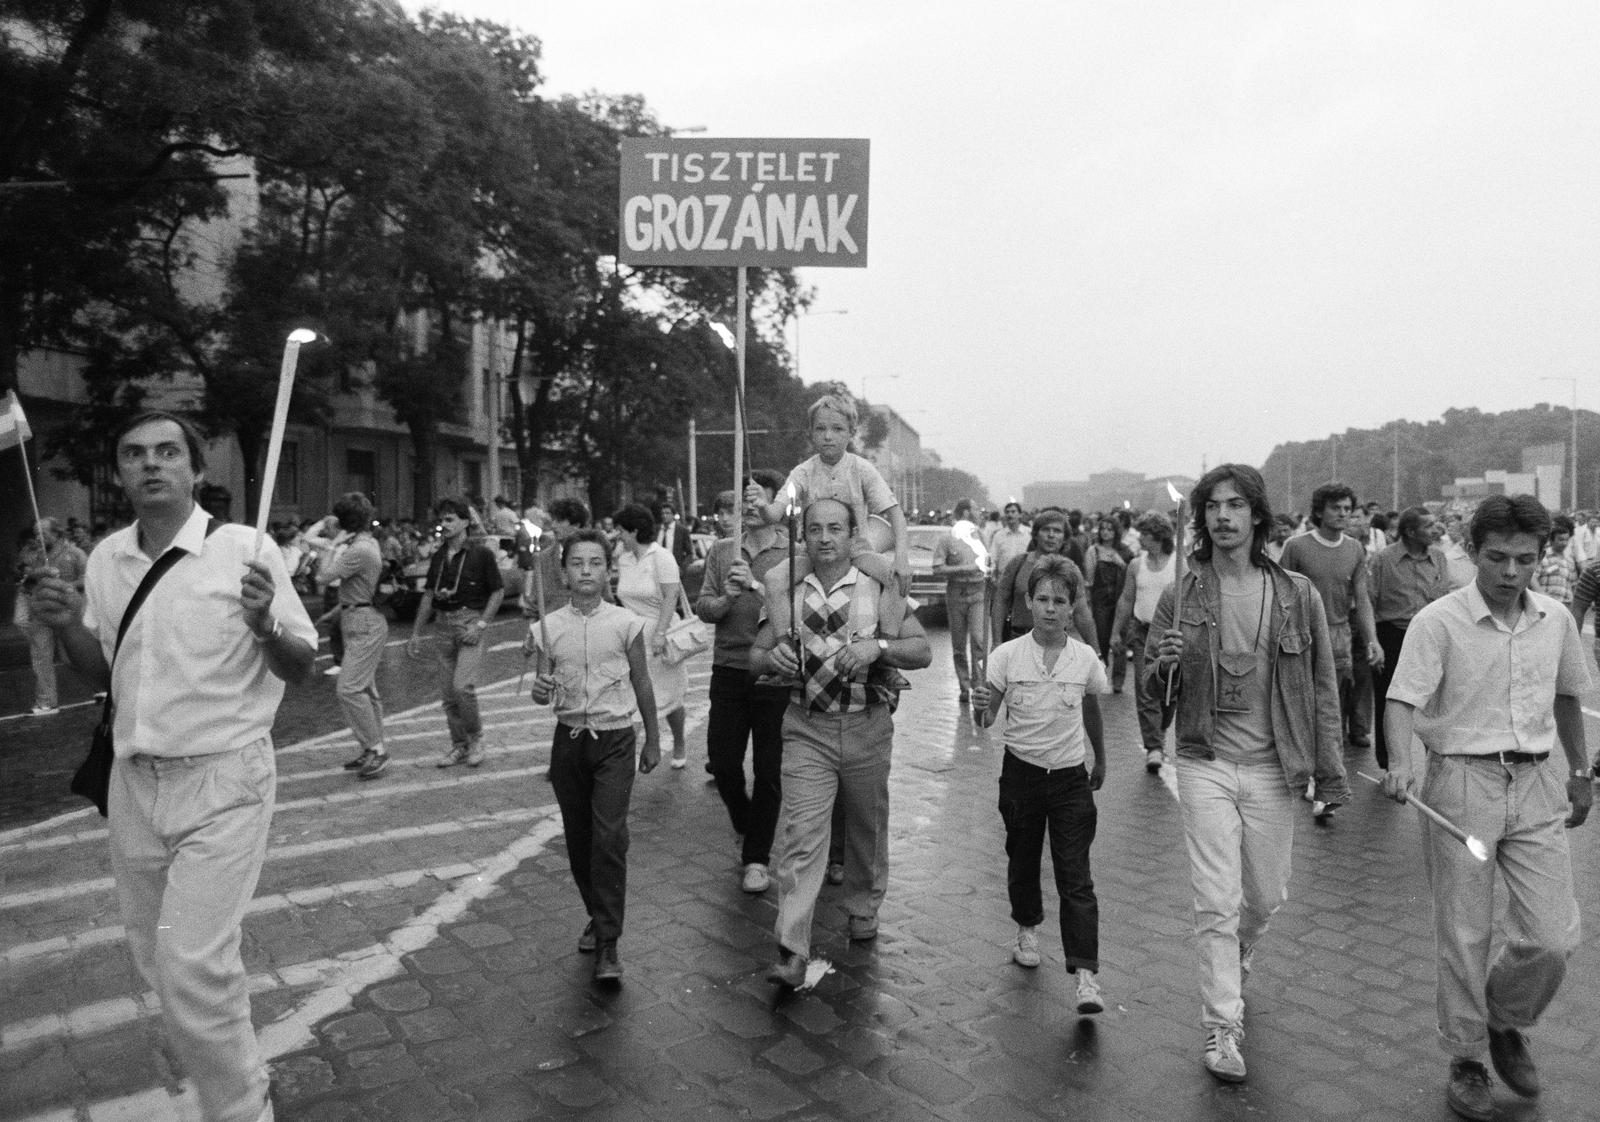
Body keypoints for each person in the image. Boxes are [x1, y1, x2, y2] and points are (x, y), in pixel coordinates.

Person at [30, 410, 316, 1122]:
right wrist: (67, 623)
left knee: (191, 963)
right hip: (133, 783)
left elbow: (302, 663)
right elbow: (103, 672)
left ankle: (241, 1110)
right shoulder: (104, 559)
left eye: (166, 452)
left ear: (195, 469)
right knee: (163, 961)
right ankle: (237, 1069)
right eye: (134, 454)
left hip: (225, 778)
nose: (150, 464)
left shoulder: (245, 552)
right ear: (120, 472)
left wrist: (265, 624)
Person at [1379, 495, 1592, 1121]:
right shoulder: (1438, 622)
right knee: (1465, 930)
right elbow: (1401, 701)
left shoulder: (1554, 619)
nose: (1509, 572)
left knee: (1554, 936)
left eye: (1524, 559)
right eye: (1496, 557)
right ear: (1471, 552)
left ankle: (1505, 1020)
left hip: (1536, 785)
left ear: (1542, 557)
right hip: (1461, 786)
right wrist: (1399, 764)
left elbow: (1567, 696)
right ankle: (1467, 1058)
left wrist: (1580, 772)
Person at [1148, 464, 1346, 1085]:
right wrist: (1165, 664)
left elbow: (1322, 689)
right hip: (1205, 760)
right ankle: (1222, 1024)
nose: (1223, 517)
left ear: (1257, 516)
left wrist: (1330, 770)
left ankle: (1241, 951)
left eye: (1236, 505)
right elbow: (1155, 689)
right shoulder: (1182, 592)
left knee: (1264, 895)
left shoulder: (1296, 595)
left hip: (1273, 765)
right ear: (1202, 517)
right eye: (1212, 506)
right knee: (1215, 898)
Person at [752, 498, 931, 987]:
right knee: (801, 840)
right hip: (806, 729)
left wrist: (880, 647)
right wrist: (773, 661)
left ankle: (863, 904)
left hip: (866, 726)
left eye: (835, 528)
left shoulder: (878, 587)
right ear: (803, 535)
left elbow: (922, 650)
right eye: (814, 529)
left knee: (865, 827)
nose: (824, 537)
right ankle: (791, 949)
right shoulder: (788, 589)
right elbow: (756, 655)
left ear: (854, 534)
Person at [970, 556, 1109, 1015]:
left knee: (1076, 875)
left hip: (1070, 778)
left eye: (1061, 601)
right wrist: (979, 706)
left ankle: (1086, 974)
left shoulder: (1085, 658)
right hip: (1022, 775)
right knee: (1023, 858)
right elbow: (988, 718)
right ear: (1028, 602)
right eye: (1043, 599)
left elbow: (1091, 710)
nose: (1051, 609)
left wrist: (1100, 758)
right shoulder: (1006, 656)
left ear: (1073, 608)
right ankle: (1027, 927)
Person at [526, 528, 660, 983]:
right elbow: (542, 692)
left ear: (609, 571)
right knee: (580, 840)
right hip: (569, 743)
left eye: (596, 563)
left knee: (608, 838)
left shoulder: (625, 623)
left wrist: (654, 739)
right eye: (577, 563)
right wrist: (540, 690)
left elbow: (642, 681)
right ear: (563, 573)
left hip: (616, 740)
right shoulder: (548, 627)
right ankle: (595, 911)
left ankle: (608, 942)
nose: (586, 571)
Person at [695, 470, 791, 893]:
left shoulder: (794, 552)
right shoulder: (721, 551)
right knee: (726, 762)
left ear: (776, 505)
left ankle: (756, 857)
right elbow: (705, 608)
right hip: (729, 668)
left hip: (773, 669)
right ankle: (747, 822)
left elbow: (796, 610)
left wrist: (753, 584)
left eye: (759, 500)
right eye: (743, 501)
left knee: (769, 769)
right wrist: (729, 596)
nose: (750, 508)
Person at [747, 394, 909, 613]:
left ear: (851, 433)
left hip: (856, 552)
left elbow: (896, 514)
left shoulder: (862, 468)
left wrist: (901, 558)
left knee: (897, 579)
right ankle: (786, 641)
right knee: (772, 579)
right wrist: (762, 505)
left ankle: (885, 641)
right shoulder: (802, 471)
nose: (828, 436)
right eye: (820, 429)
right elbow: (774, 514)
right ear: (811, 433)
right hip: (812, 554)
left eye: (837, 429)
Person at [1278, 483, 1385, 783]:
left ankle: (1326, 779)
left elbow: (1361, 599)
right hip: (1300, 637)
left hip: (1338, 639)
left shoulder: (1354, 549)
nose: (1342, 514)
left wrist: (1372, 640)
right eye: (1336, 508)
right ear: (1320, 511)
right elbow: (1281, 597)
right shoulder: (1296, 547)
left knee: (1331, 710)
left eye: (1347, 509)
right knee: (1302, 706)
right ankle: (1302, 767)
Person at [406, 497, 505, 767]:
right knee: (448, 695)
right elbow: (428, 595)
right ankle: (458, 745)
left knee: (463, 687)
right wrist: (416, 632)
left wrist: (481, 624)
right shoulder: (439, 556)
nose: (444, 524)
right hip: (442, 625)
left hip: (469, 622)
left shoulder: (481, 554)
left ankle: (476, 739)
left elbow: (497, 592)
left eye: (449, 519)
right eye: (441, 519)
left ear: (465, 522)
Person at [1368, 506, 1452, 770]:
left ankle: (1438, 755)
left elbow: (1445, 600)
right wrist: (1374, 643)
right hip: (1393, 634)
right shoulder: (1383, 559)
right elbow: (1368, 601)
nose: (1435, 529)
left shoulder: (1439, 558)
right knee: (1389, 699)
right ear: (1410, 531)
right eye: (1428, 526)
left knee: (1437, 698)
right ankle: (1390, 762)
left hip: (1430, 635)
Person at [319, 493, 390, 780]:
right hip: (357, 618)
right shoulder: (366, 543)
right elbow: (355, 588)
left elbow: (322, 576)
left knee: (348, 689)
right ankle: (372, 747)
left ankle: (377, 749)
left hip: (363, 622)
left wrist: (330, 545)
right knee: (366, 691)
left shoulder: (356, 550)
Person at [613, 503, 689, 767]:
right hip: (632, 637)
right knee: (634, 698)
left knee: (670, 700)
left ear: (634, 531)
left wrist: (659, 632)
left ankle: (679, 743)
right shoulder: (623, 558)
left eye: (621, 530)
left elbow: (671, 596)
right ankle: (624, 764)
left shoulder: (661, 556)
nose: (618, 535)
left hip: (660, 637)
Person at [1110, 511, 1177, 773]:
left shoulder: (1178, 563)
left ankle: (1158, 732)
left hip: (1172, 635)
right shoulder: (1136, 565)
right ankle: (1154, 747)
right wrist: (1116, 631)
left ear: (1159, 536)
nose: (1141, 540)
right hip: (1143, 632)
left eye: (1145, 535)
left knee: (1170, 691)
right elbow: (1126, 599)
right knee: (1145, 688)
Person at [14, 517, 88, 716]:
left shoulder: (76, 554)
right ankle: (47, 701)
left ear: (56, 534)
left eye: (42, 533)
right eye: (36, 533)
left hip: (67, 614)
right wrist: (39, 572)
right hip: (42, 613)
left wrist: (68, 585)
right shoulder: (36, 554)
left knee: (71, 657)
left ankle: (101, 688)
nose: (38, 537)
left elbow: (87, 578)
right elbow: (23, 573)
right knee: (41, 658)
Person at [992, 508, 1096, 647]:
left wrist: (1096, 652)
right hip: (1018, 641)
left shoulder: (1071, 570)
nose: (1051, 535)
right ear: (1036, 534)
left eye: (1057, 531)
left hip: (1056, 644)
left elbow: (1081, 612)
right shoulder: (1018, 564)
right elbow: (1001, 602)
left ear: (1064, 538)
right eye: (1046, 529)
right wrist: (997, 642)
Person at [932, 498, 990, 703]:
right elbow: (937, 568)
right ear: (966, 513)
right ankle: (964, 686)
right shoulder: (947, 539)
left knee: (979, 640)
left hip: (978, 592)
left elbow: (989, 562)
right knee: (958, 644)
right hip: (956, 593)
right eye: (976, 510)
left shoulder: (980, 535)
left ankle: (979, 684)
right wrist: (964, 569)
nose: (980, 513)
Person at [1082, 515, 1131, 692]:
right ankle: (1101, 674)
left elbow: (1132, 573)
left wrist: (1121, 563)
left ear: (1116, 531)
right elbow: (1089, 578)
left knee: (1120, 639)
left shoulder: (1125, 551)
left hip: (1121, 598)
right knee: (1102, 637)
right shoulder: (1093, 550)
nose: (1106, 532)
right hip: (1100, 599)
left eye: (1110, 529)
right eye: (1103, 528)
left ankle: (1118, 680)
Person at [1533, 514, 1577, 605]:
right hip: (1546, 603)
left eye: (1566, 540)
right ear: (1552, 540)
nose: (1564, 543)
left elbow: (1573, 585)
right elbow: (1532, 578)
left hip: (1565, 604)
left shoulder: (1569, 561)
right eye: (1560, 540)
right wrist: (1542, 594)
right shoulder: (1543, 557)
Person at [987, 501, 1032, 578]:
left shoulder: (1029, 533)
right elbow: (994, 558)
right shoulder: (999, 535)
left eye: (1013, 512)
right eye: (1007, 512)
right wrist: (993, 577)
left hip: (1024, 578)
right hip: (1004, 578)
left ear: (1020, 515)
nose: (1010, 514)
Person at [654, 501, 694, 573]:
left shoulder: (682, 531)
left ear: (673, 515)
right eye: (662, 513)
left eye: (667, 513)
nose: (664, 515)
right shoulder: (656, 530)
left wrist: (682, 568)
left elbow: (690, 553)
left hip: (674, 571)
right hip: (657, 570)